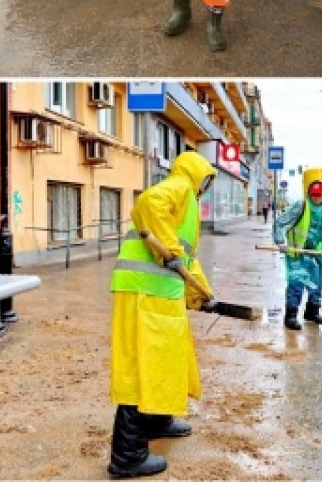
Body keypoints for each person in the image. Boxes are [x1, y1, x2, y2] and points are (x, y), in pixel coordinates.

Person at [108, 151, 218, 479]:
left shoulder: (186, 201)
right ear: (196, 175)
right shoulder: (179, 187)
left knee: (168, 359)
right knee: (144, 365)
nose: (205, 187)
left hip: (159, 294)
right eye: (207, 180)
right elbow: (148, 204)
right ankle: (127, 456)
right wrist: (167, 251)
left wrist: (202, 295)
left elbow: (185, 261)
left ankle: (158, 421)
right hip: (145, 292)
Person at [273, 180, 322, 330]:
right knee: (296, 285)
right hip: (298, 253)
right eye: (314, 195)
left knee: (316, 285)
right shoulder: (301, 206)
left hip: (316, 253)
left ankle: (312, 313)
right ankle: (290, 316)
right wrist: (280, 242)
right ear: (309, 195)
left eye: (320, 195)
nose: (316, 198)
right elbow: (280, 223)